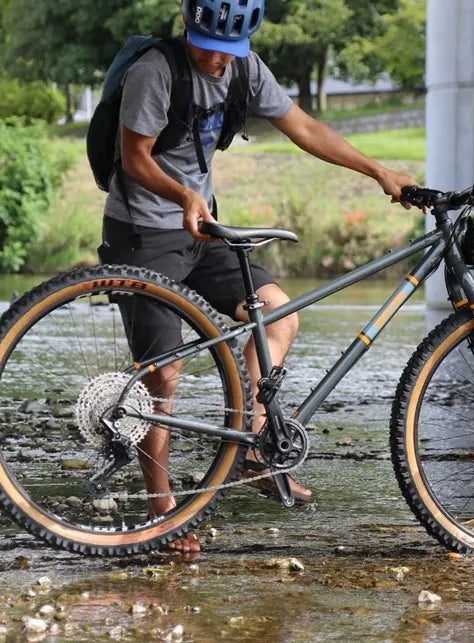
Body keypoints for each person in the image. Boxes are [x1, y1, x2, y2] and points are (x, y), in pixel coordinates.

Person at [98, 0, 417, 552]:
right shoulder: (156, 71)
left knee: (277, 315)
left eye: (229, 50)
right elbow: (134, 158)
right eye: (207, 46)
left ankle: (246, 449)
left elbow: (304, 126)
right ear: (188, 27)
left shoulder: (246, 70)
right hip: (144, 234)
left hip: (204, 229)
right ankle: (162, 510)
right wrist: (182, 194)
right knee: (164, 377)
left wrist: (379, 171)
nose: (217, 59)